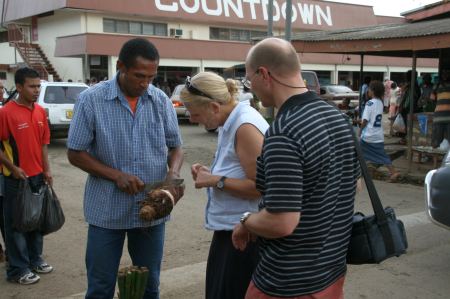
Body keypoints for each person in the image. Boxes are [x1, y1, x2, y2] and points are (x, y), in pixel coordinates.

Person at [232, 37, 360, 298]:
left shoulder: (284, 132)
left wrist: (246, 222)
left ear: (264, 74)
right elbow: (353, 184)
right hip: (331, 274)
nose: (251, 88)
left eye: (248, 80)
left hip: (286, 282)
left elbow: (281, 222)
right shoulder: (339, 118)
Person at [67, 38, 184, 299]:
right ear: (120, 66)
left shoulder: (160, 100)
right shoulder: (91, 100)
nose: (145, 84)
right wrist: (115, 175)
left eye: (151, 77)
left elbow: (176, 147)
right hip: (106, 212)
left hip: (152, 210)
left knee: (149, 285)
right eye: (139, 76)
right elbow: (75, 152)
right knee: (100, 287)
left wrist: (173, 174)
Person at [180, 72, 269, 299]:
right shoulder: (230, 121)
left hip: (243, 233)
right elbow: (240, 170)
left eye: (195, 113)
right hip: (231, 229)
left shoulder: (244, 126)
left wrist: (215, 180)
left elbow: (261, 186)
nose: (192, 120)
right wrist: (212, 174)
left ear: (214, 106)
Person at [0, 67, 53, 284]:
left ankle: (35, 260)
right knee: (16, 225)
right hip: (15, 178)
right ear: (19, 87)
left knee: (36, 221)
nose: (36, 90)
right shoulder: (5, 113)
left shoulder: (40, 111)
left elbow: (43, 144)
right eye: (32, 86)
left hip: (37, 176)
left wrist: (47, 169)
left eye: (38, 86)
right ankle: (17, 269)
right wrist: (12, 168)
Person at [360, 81, 400, 181]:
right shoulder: (380, 103)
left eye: (369, 89)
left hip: (368, 135)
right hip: (378, 135)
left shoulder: (369, 103)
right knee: (382, 155)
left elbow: (365, 120)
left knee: (357, 151)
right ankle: (393, 172)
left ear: (372, 91)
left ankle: (355, 171)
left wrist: (360, 130)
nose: (367, 91)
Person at [431, 68, 450, 150]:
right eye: (444, 74)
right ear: (441, 76)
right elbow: (432, 98)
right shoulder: (437, 85)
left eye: (447, 73)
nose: (445, 75)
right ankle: (437, 158)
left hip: (447, 117)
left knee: (441, 138)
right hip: (439, 117)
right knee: (437, 139)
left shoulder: (437, 85)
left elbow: (432, 98)